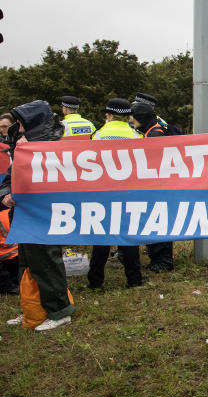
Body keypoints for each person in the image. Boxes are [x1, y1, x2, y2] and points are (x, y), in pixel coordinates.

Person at [2, 100, 76, 331]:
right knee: (27, 265)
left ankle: (59, 310)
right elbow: (8, 179)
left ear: (33, 123)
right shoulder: (21, 145)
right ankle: (32, 309)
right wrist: (5, 196)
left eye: (21, 122)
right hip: (22, 215)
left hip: (44, 215)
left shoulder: (51, 148)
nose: (17, 127)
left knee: (45, 262)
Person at [87, 98, 143, 289]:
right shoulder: (137, 136)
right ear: (128, 116)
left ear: (108, 115)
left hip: (102, 192)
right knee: (129, 235)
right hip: (128, 191)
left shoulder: (98, 135)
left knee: (101, 236)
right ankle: (134, 279)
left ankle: (95, 281)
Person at [130, 101, 174, 273]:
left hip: (158, 186)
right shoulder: (152, 130)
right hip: (155, 185)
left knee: (159, 224)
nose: (132, 121)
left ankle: (163, 262)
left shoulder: (155, 133)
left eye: (134, 117)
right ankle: (159, 259)